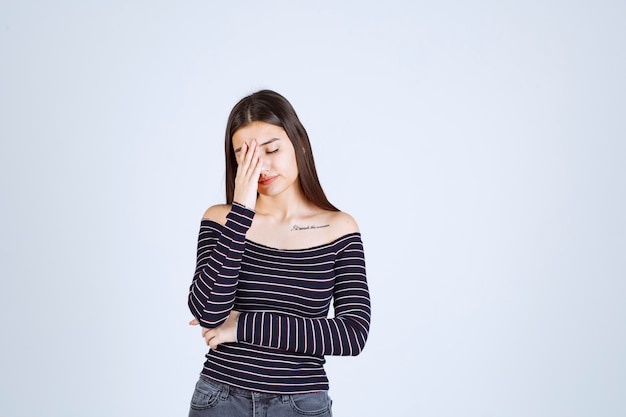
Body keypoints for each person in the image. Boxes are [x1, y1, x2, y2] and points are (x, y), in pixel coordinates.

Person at [187, 89, 371, 417]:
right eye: (245, 155)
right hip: (221, 397)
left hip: (300, 403)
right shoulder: (221, 219)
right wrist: (241, 210)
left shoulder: (339, 228)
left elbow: (352, 334)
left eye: (271, 150)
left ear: (299, 143)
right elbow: (210, 314)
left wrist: (242, 326)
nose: (262, 166)